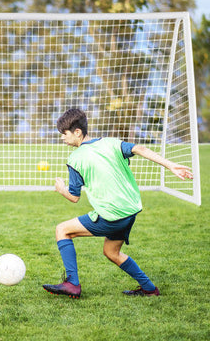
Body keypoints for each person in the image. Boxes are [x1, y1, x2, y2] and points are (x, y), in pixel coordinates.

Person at [43, 108, 193, 299]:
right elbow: (140, 149)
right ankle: (149, 289)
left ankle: (72, 283)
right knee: (111, 252)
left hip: (111, 216)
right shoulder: (110, 142)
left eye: (64, 134)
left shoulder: (75, 158)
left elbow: (74, 197)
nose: (63, 138)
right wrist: (171, 165)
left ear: (77, 132)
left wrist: (61, 188)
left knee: (62, 230)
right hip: (130, 211)